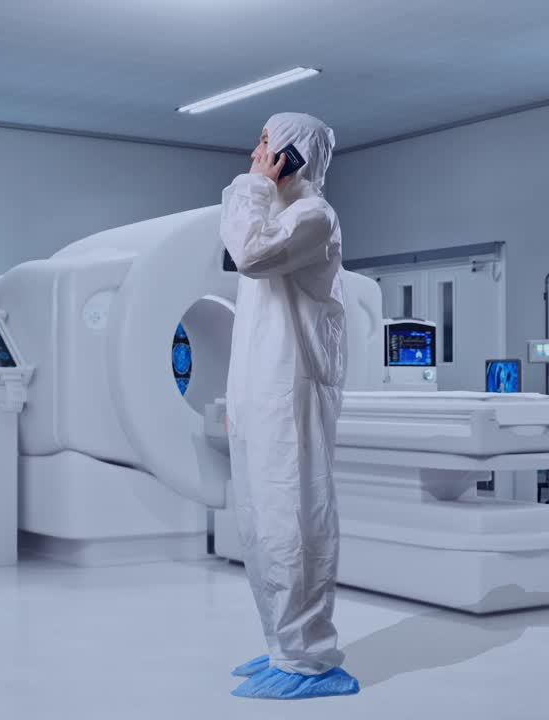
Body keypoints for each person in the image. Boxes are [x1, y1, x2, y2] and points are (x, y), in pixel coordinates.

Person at [219, 113, 358, 700]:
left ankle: (308, 658)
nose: (257, 154)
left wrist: (252, 187)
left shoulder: (312, 217)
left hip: (292, 389)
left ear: (293, 154)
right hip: (261, 389)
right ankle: (282, 644)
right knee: (259, 519)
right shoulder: (278, 214)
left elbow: (249, 254)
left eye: (266, 144)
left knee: (292, 517)